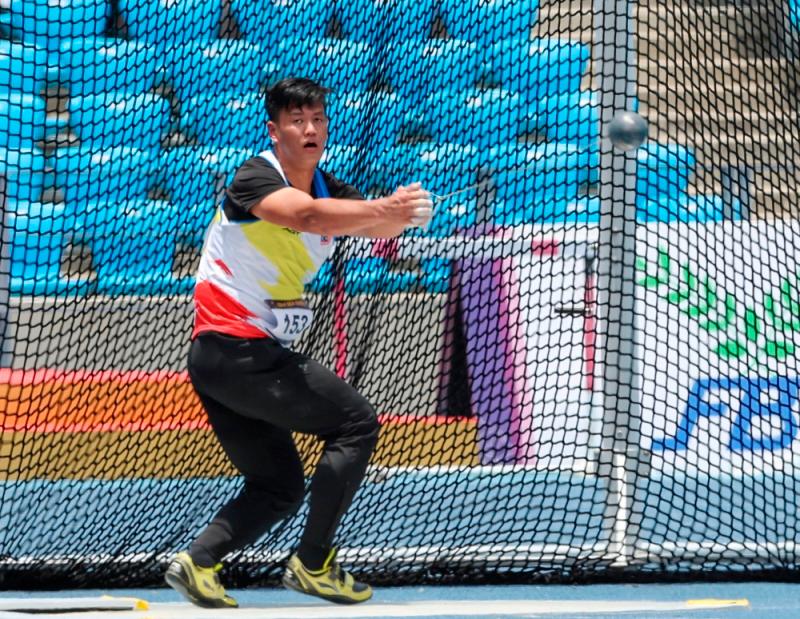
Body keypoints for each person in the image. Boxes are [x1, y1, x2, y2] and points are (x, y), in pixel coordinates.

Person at [163, 77, 433, 608]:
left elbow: (377, 229)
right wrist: (383, 209)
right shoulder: (254, 177)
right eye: (296, 120)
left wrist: (406, 212)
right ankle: (313, 564)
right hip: (237, 351)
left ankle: (197, 563)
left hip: (238, 359)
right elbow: (305, 216)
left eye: (317, 120)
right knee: (356, 422)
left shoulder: (336, 193)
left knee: (280, 485)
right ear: (275, 129)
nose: (309, 130)